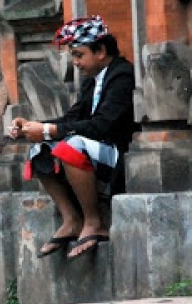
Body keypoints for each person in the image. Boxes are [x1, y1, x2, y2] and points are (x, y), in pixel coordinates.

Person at [9, 15, 139, 261]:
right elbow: (72, 118)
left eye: (79, 55)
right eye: (73, 56)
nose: (75, 62)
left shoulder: (121, 76)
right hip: (97, 149)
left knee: (69, 146)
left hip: (118, 153)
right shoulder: (93, 82)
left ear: (100, 51)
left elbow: (101, 126)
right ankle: (72, 219)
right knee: (40, 151)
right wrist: (33, 127)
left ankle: (94, 222)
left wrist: (48, 130)